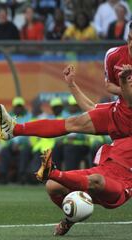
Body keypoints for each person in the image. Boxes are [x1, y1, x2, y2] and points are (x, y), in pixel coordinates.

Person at [34, 65, 132, 236]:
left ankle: (52, 172)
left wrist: (124, 79)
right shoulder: (119, 113)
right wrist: (72, 84)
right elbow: (92, 109)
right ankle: (69, 219)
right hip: (103, 168)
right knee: (52, 187)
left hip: (122, 182)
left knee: (96, 180)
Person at [0, 24, 132, 143]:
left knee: (104, 169)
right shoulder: (114, 55)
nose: (131, 44)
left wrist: (124, 84)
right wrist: (72, 84)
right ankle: (14, 129)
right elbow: (93, 105)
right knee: (73, 123)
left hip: (126, 122)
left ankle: (55, 173)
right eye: (130, 38)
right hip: (122, 114)